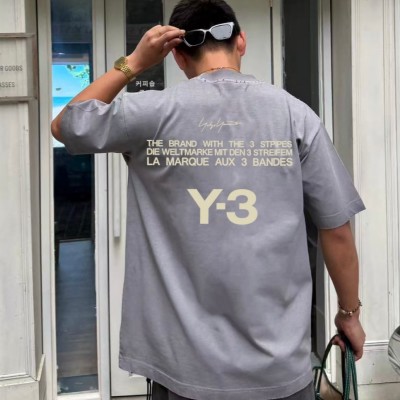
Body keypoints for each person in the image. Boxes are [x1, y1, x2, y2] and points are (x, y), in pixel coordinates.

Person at [51, 1, 366, 399]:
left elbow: (66, 125)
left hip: (183, 367)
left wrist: (133, 63)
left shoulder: (152, 112)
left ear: (178, 57)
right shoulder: (295, 116)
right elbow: (336, 229)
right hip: (279, 366)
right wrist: (349, 314)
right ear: (241, 41)